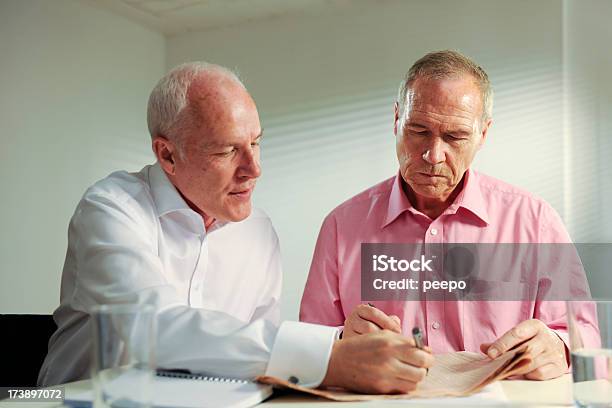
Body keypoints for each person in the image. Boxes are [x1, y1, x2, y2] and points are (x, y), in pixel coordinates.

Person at [38, 62, 433, 393]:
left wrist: (342, 343)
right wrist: (327, 356)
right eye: (228, 150)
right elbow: (148, 331)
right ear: (167, 154)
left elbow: (253, 354)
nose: (254, 169)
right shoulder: (111, 208)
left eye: (256, 143)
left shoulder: (259, 231)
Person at [300, 50, 597, 381]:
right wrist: (339, 344)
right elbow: (304, 350)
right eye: (418, 130)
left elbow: (582, 333)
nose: (433, 155)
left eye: (455, 136)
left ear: (483, 134)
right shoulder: (341, 226)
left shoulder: (535, 221)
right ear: (396, 119)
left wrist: (559, 345)